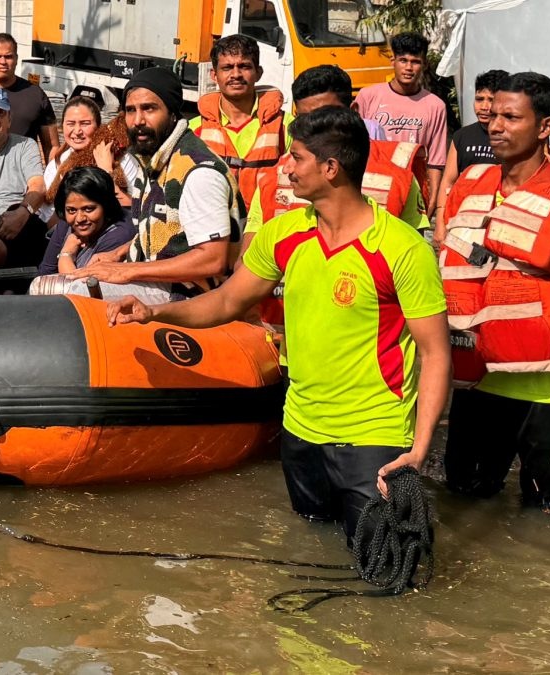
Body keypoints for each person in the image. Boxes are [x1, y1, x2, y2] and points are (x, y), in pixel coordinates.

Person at [107, 107, 450, 543]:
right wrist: (154, 313)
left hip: (375, 437)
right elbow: (229, 300)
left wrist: (418, 451)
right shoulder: (284, 233)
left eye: (298, 158)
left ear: (331, 168)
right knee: (310, 548)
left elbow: (437, 354)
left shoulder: (401, 249)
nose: (285, 168)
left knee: (384, 571)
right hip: (300, 431)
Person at [439, 72, 550, 510]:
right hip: (476, 387)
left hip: (549, 395)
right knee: (461, 505)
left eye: (511, 117)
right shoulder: (468, 185)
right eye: (494, 115)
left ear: (545, 127)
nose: (496, 125)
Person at [68, 67, 243, 303]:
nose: (138, 120)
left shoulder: (199, 172)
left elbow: (213, 259)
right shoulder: (153, 160)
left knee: (71, 294)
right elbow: (168, 234)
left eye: (149, 109)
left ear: (172, 113)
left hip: (192, 297)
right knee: (46, 286)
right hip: (158, 282)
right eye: (131, 110)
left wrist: (127, 271)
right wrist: (117, 254)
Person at [246, 64, 429, 255]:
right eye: (304, 118)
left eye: (325, 116)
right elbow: (248, 256)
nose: (313, 128)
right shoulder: (278, 172)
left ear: (353, 111)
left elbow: (415, 249)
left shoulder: (396, 169)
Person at [354, 32, 448, 217]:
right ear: (393, 61)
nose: (409, 68)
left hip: (413, 192)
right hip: (371, 187)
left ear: (424, 64)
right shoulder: (368, 96)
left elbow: (436, 162)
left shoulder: (436, 106)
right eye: (403, 60)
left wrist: (433, 201)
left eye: (415, 62)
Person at [189, 34, 288, 207]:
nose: (236, 74)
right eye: (227, 68)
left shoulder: (286, 126)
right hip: (215, 228)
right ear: (214, 75)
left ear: (259, 73)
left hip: (266, 228)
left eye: (244, 66)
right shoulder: (194, 129)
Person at [0, 86, 49, 272]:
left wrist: (23, 212)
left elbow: (38, 185)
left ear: (9, 119)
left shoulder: (25, 145)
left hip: (19, 221)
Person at [39, 96, 140, 224]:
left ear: (98, 126)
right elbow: (45, 209)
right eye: (70, 124)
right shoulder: (59, 160)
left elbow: (136, 210)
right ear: (62, 126)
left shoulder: (123, 160)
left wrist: (106, 171)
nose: (77, 131)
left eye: (85, 123)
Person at [434, 69, 507, 244]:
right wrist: (439, 223)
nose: (484, 106)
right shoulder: (462, 136)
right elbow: (448, 181)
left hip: (499, 225)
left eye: (491, 100)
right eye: (479, 99)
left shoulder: (513, 136)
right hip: (462, 223)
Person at [36, 166, 135, 276]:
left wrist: (66, 254)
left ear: (106, 206)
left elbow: (82, 286)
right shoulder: (67, 222)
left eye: (88, 209)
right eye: (71, 210)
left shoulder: (119, 234)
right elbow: (45, 273)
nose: (79, 219)